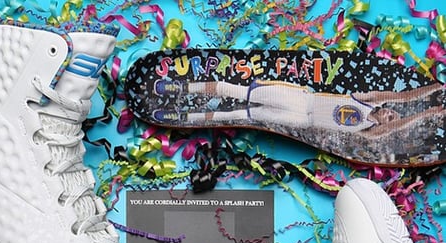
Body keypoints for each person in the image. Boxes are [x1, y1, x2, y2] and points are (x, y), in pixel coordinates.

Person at [154, 79, 444, 136]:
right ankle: (181, 88)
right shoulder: (366, 99)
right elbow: (404, 97)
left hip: (302, 122)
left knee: (240, 114)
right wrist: (435, 88)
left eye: (392, 120)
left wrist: (429, 114)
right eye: (392, 112)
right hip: (303, 100)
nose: (391, 116)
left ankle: (183, 116)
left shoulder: (370, 131)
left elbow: (401, 124)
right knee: (237, 91)